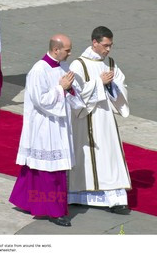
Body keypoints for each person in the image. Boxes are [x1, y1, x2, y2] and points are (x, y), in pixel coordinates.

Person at [9, 34, 84, 227]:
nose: (70, 53)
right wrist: (61, 88)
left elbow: (71, 91)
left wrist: (70, 89)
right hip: (44, 127)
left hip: (59, 125)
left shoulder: (64, 67)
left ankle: (26, 200)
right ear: (56, 49)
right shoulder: (38, 70)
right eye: (67, 50)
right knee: (50, 170)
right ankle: (55, 211)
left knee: (39, 168)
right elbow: (40, 101)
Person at [68, 26, 131, 214]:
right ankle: (79, 195)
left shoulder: (110, 63)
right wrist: (99, 83)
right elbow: (74, 94)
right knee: (85, 155)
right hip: (85, 118)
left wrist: (112, 85)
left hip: (105, 119)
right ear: (94, 43)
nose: (108, 49)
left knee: (110, 156)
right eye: (105, 45)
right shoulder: (78, 65)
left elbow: (121, 88)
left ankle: (115, 199)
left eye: (111, 45)